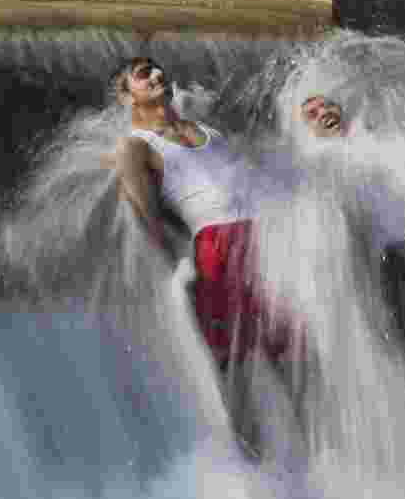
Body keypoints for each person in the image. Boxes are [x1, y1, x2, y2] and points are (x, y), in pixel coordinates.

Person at [103, 56, 296, 368]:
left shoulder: (209, 131)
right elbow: (146, 218)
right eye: (143, 73)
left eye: (157, 66)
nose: (157, 72)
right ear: (126, 96)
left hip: (266, 237)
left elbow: (249, 179)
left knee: (291, 350)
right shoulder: (135, 147)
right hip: (218, 245)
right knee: (240, 359)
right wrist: (176, 265)